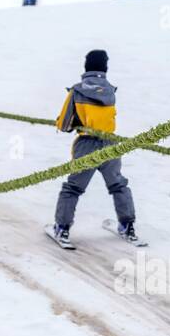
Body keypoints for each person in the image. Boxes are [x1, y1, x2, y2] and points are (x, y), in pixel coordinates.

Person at [50, 49, 136, 245]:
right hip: (111, 144)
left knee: (73, 188)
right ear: (105, 67)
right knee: (118, 184)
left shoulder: (78, 90)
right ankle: (128, 226)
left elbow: (64, 125)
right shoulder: (110, 90)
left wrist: (68, 123)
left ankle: (62, 228)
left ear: (86, 66)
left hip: (87, 144)